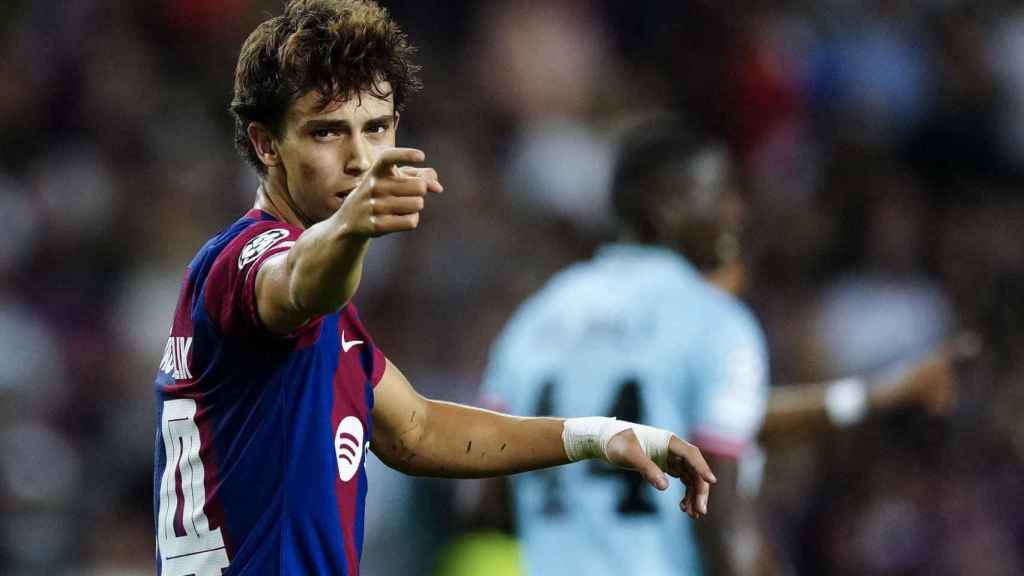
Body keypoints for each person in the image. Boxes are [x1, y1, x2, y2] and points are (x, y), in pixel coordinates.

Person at [151, 2, 716, 575]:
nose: (359, 159)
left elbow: (418, 430)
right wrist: (354, 226)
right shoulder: (242, 263)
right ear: (267, 144)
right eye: (326, 132)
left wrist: (599, 435)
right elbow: (297, 281)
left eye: (376, 128)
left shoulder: (329, 329)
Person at [478, 116, 973, 576]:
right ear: (668, 205)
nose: (736, 211)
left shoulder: (536, 318)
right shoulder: (713, 320)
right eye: (720, 192)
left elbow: (486, 500)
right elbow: (724, 523)